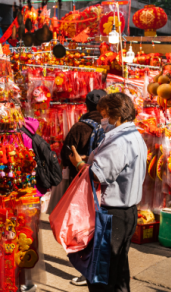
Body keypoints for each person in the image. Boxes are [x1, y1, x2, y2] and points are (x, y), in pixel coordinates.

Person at [68, 92, 147, 292]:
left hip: (114, 216)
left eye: (104, 115)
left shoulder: (120, 141)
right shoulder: (133, 135)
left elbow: (97, 175)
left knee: (103, 275)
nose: (102, 120)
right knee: (118, 272)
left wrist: (79, 164)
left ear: (116, 116)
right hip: (125, 212)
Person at [55, 89, 107, 287]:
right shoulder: (112, 129)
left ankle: (88, 270)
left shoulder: (79, 127)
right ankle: (96, 269)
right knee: (99, 228)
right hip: (105, 187)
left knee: (82, 229)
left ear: (86, 106)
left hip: (82, 186)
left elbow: (65, 155)